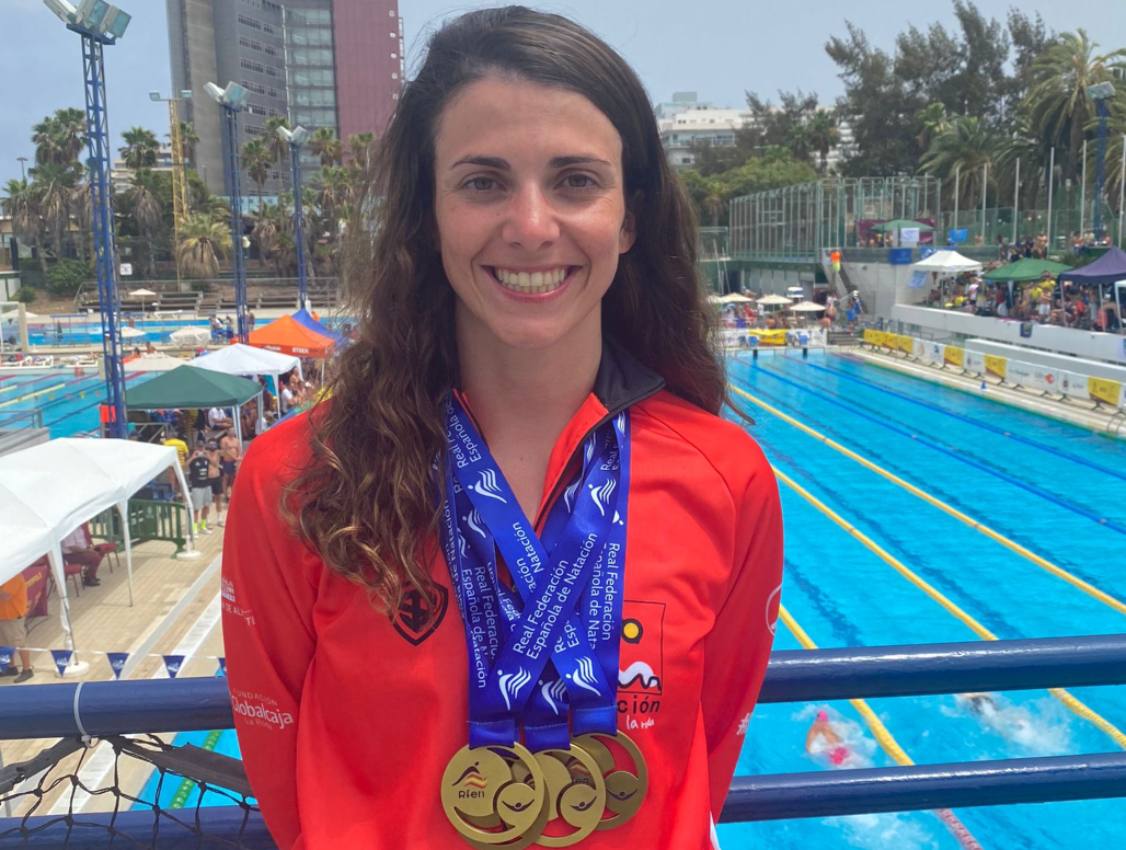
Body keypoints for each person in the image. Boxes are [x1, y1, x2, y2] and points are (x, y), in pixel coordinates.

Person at [222, 8, 783, 850]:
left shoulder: (725, 476)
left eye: (576, 181)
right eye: (483, 182)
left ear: (629, 220)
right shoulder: (299, 480)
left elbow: (709, 746)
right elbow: (285, 779)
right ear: (429, 212)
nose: (530, 226)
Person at [0, 573, 34, 683]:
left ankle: (27, 669)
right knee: (4, 643)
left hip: (13, 616)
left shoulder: (13, 575)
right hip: (2, 615)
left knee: (19, 643)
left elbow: (5, 595)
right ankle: (11, 667)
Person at [188, 440, 213, 534]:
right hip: (197, 486)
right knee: (196, 508)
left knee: (206, 506)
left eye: (202, 447)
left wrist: (208, 456)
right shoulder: (193, 459)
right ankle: (194, 528)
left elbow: (215, 464)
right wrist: (193, 457)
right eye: (199, 447)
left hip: (206, 485)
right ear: (196, 448)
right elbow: (185, 467)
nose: (201, 449)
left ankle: (203, 526)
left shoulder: (206, 459)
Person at [219, 428, 241, 499]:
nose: (232, 432)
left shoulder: (236, 440)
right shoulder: (224, 440)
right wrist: (234, 457)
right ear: (228, 431)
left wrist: (237, 459)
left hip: (234, 461)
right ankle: (225, 495)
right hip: (227, 461)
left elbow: (239, 450)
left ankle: (232, 494)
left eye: (233, 431)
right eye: (231, 431)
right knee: (226, 478)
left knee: (233, 478)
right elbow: (225, 450)